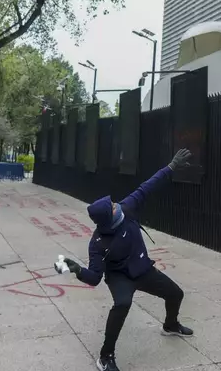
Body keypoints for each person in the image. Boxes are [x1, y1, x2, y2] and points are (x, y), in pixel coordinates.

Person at [64, 149, 194, 371]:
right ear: (108, 218)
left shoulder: (127, 207)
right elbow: (95, 277)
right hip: (119, 277)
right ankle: (106, 356)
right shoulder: (98, 244)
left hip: (142, 270)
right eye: (113, 206)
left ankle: (170, 324)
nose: (117, 204)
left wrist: (171, 166)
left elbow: (148, 186)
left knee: (176, 293)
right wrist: (78, 270)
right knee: (122, 304)